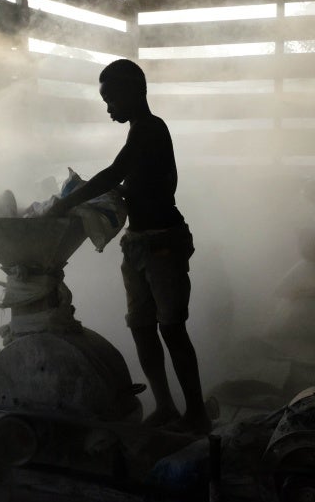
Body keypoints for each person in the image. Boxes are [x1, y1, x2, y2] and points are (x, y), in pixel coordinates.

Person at [46, 59, 211, 435]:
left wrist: (65, 203)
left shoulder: (150, 129)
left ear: (135, 92)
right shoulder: (139, 130)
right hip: (139, 245)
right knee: (141, 326)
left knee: (171, 330)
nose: (108, 108)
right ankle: (167, 406)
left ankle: (197, 413)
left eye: (111, 99)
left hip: (163, 243)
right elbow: (136, 181)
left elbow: (115, 173)